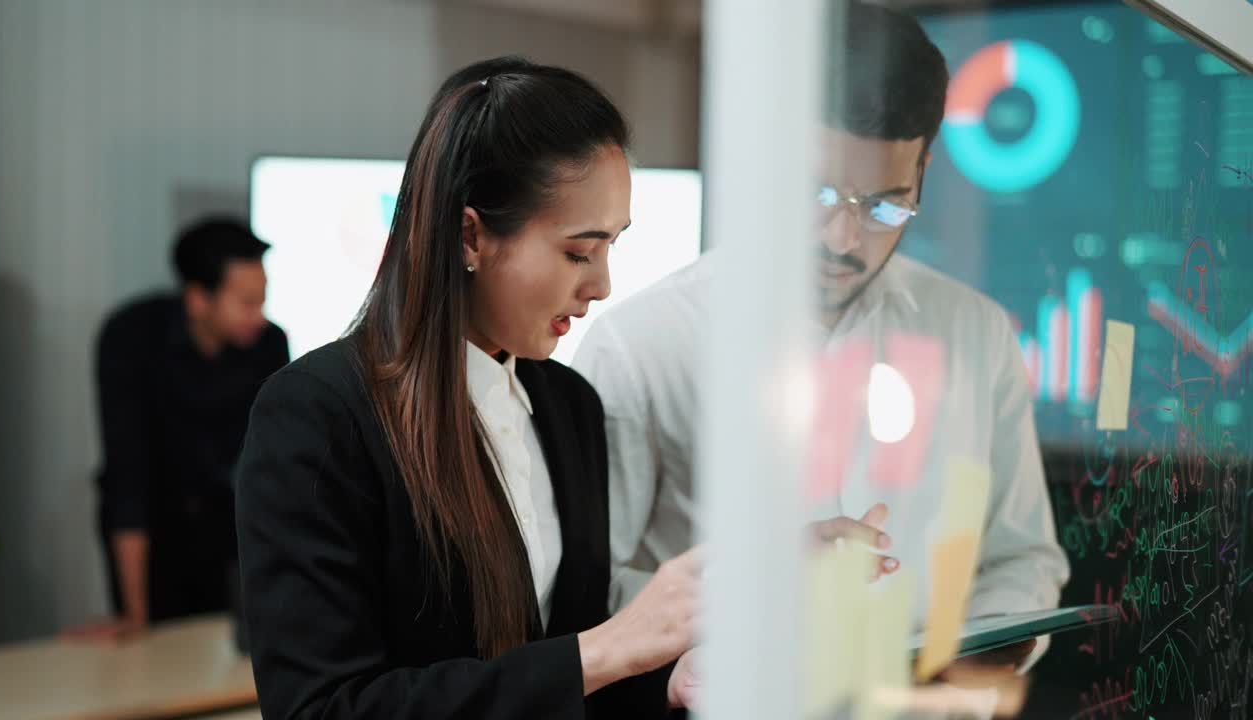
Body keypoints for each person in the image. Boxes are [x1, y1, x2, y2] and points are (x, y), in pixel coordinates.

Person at [572, 1, 1070, 678]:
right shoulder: (640, 345)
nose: (844, 237)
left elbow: (1020, 558)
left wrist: (973, 664)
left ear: (924, 168)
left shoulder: (976, 335)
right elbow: (591, 591)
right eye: (818, 193)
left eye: (885, 205)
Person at [235, 57, 707, 719]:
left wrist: (666, 679)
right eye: (579, 250)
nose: (601, 285)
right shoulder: (319, 415)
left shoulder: (569, 405)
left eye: (611, 248)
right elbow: (322, 708)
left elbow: (560, 679)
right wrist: (600, 653)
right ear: (470, 235)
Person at [70, 217, 289, 640]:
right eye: (246, 303)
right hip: (157, 530)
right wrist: (135, 614)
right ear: (197, 299)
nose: (259, 317)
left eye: (262, 301)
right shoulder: (131, 338)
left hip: (230, 528)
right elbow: (126, 479)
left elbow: (275, 468)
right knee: (152, 652)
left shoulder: (268, 345)